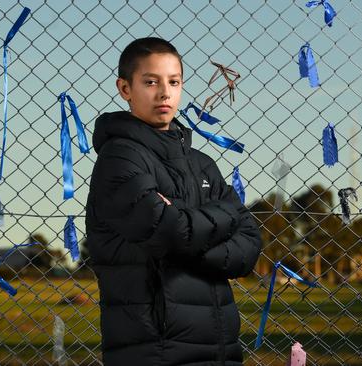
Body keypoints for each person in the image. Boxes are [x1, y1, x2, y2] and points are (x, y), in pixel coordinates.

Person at [85, 37, 262, 366]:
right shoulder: (120, 158)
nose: (164, 93)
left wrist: (185, 231)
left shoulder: (202, 164)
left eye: (174, 81)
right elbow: (170, 232)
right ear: (125, 88)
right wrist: (225, 215)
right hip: (154, 349)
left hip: (220, 348)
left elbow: (249, 245)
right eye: (150, 82)